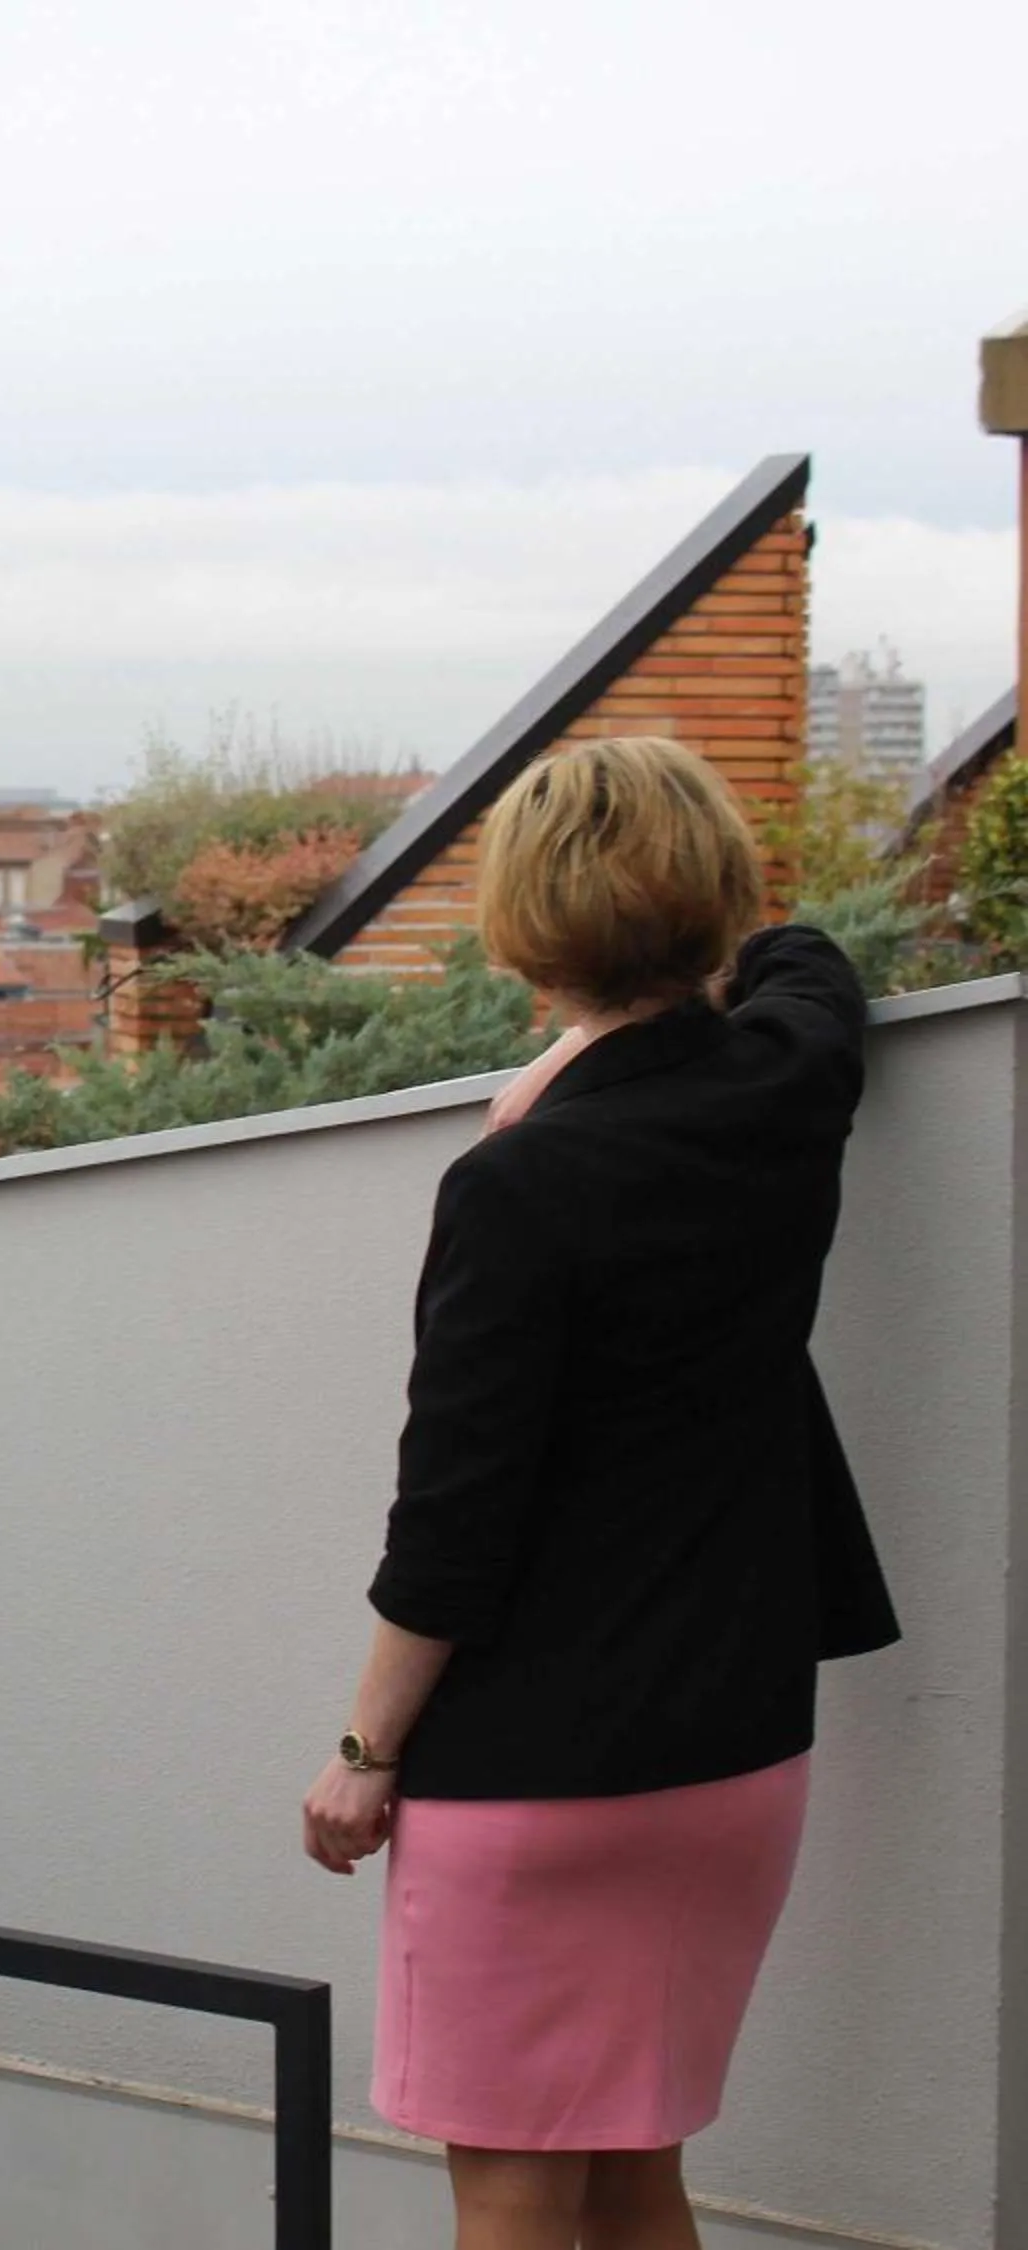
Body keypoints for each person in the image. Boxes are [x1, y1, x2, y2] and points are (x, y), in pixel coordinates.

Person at [300, 736, 900, 2250]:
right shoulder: (784, 1080)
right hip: (734, 1752)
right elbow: (808, 965)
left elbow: (453, 1519)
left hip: (539, 1775)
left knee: (512, 2183)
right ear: (708, 902)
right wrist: (675, 976)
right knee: (636, 2167)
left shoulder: (515, 1185)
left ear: (521, 928)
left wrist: (364, 1751)